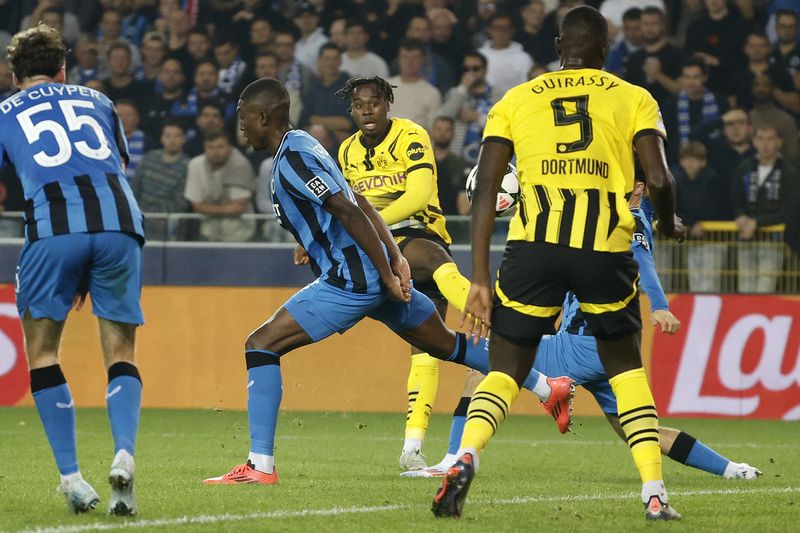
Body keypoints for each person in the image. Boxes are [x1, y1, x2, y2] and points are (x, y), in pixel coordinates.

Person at [202, 77, 570, 485]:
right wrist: (394, 258)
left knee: (261, 344)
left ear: (262, 116)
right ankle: (546, 386)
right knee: (447, 344)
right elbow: (358, 200)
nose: (240, 127)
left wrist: (385, 270)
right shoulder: (305, 143)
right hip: (372, 274)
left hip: (353, 280)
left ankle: (260, 466)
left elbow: (349, 211)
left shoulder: (293, 157)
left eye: (242, 118)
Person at [432, 6, 685, 521]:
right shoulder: (635, 97)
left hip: (532, 250)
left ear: (556, 46)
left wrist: (479, 275)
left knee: (504, 369)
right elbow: (659, 180)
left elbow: (484, 185)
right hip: (603, 249)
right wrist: (670, 221)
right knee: (626, 369)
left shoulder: (516, 98)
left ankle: (465, 456)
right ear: (606, 48)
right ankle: (654, 493)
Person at [418, 172, 761, 480]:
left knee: (483, 364)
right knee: (641, 432)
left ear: (637, 188)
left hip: (581, 348)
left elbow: (643, 259)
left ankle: (452, 460)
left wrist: (659, 305)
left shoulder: (628, 220)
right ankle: (734, 470)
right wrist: (668, 218)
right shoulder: (613, 216)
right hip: (608, 351)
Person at [1, 24, 144, 515]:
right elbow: (116, 168)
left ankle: (73, 479)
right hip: (122, 225)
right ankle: (124, 453)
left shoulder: (3, 111)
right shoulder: (100, 101)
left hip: (52, 228)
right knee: (121, 350)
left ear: (14, 75)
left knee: (42, 353)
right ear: (63, 68)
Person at [730, 125, 799, 293]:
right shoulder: (744, 167)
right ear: (754, 142)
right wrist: (740, 216)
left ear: (779, 142)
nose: (765, 144)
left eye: (770, 139)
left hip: (772, 241)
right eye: (761, 139)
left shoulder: (789, 171)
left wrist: (757, 222)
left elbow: (789, 210)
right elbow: (735, 198)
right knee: (744, 288)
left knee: (765, 288)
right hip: (746, 239)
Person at [183, 130, 257, 242]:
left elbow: (238, 207)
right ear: (204, 148)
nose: (215, 152)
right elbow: (197, 206)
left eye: (220, 146)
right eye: (210, 147)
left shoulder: (240, 164)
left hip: (240, 234)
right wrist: (225, 208)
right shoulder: (195, 164)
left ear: (230, 147)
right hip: (207, 232)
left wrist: (207, 208)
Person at [133, 120, 190, 240]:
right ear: (162, 138)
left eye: (177, 136)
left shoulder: (188, 166)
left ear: (184, 139)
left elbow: (180, 203)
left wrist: (154, 217)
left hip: (168, 226)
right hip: (140, 220)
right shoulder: (148, 159)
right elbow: (135, 190)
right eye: (168, 135)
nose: (172, 140)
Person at [387, 39, 441, 131]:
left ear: (423, 59)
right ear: (398, 59)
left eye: (415, 57)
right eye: (405, 57)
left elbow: (433, 129)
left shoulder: (432, 93)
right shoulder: (383, 87)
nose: (409, 62)